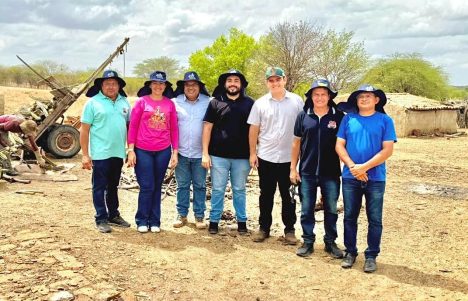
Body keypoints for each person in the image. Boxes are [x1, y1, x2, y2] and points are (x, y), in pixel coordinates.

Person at [335, 84, 397, 273]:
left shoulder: (385, 120)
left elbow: (387, 150)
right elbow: (339, 145)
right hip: (350, 177)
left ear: (376, 100)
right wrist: (353, 167)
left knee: (375, 218)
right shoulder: (348, 120)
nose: (364, 99)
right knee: (349, 217)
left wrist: (364, 167)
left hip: (376, 178)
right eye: (361, 96)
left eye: (368, 96)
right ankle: (350, 252)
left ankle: (371, 255)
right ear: (356, 100)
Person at [248, 67, 303, 245]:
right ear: (267, 83)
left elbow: (303, 129)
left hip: (290, 159)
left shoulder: (296, 101)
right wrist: (253, 153)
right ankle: (264, 228)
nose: (275, 83)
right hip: (267, 156)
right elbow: (254, 129)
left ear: (284, 80)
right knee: (266, 194)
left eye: (277, 79)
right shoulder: (260, 103)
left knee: (288, 196)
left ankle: (289, 230)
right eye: (271, 80)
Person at [290, 79, 344, 258]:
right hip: (307, 171)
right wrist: (293, 168)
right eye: (316, 94)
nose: (319, 97)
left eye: (323, 94)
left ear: (329, 96)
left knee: (331, 209)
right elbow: (296, 143)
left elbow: (344, 144)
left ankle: (330, 242)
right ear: (311, 97)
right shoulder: (303, 115)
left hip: (331, 172)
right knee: (306, 209)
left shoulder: (338, 116)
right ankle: (308, 241)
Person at [201, 69, 254, 235]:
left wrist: (254, 153)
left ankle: (242, 222)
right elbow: (207, 127)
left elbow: (254, 130)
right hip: (218, 156)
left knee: (239, 189)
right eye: (229, 80)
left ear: (241, 84)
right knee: (218, 189)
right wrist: (205, 153)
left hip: (242, 157)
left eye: (236, 81)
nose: (232, 83)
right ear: (224, 84)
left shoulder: (250, 104)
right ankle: (214, 221)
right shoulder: (215, 102)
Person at [80, 70, 131, 233]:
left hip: (118, 153)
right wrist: (85, 155)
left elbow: (130, 127)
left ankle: (113, 215)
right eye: (107, 83)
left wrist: (130, 149)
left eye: (114, 83)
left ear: (119, 86)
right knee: (99, 187)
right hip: (100, 153)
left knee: (113, 185)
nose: (111, 86)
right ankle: (101, 218)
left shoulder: (124, 103)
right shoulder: (93, 103)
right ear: (101, 86)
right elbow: (84, 130)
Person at [127, 71, 179, 233]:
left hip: (163, 150)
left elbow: (174, 129)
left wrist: (175, 151)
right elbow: (133, 126)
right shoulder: (141, 102)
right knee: (147, 186)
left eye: (161, 83)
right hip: (143, 150)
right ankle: (142, 219)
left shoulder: (169, 104)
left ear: (165, 86)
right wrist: (131, 150)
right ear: (150, 85)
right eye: (155, 83)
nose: (158, 86)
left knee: (157, 186)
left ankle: (155, 221)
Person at [172, 71, 211, 229]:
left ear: (199, 87)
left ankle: (199, 216)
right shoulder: (175, 102)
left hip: (200, 153)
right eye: (187, 85)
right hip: (180, 152)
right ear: (183, 87)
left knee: (200, 185)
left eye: (194, 85)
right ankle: (181, 215)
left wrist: (207, 153)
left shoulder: (209, 102)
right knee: (182, 185)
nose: (190, 88)